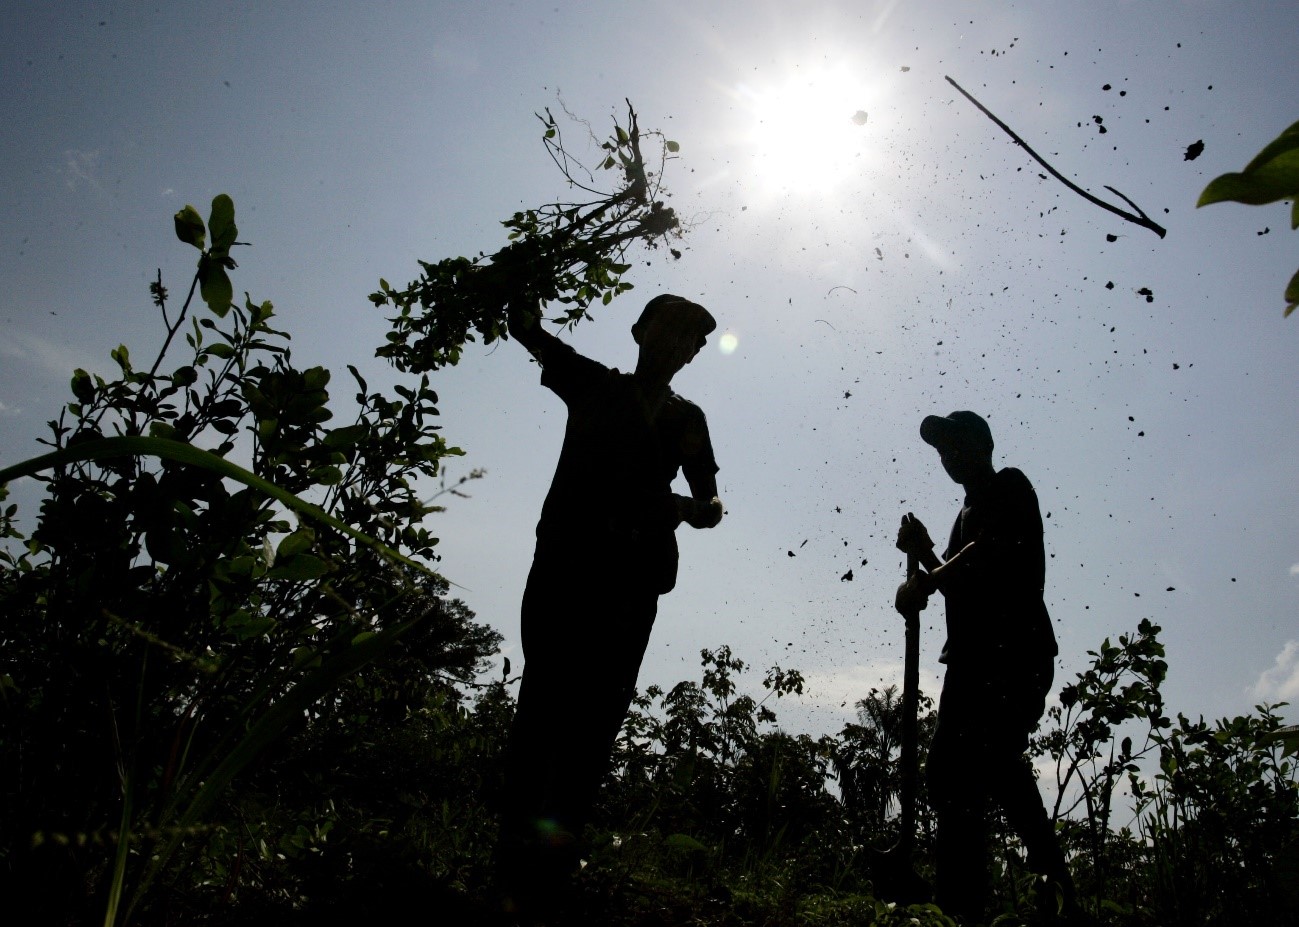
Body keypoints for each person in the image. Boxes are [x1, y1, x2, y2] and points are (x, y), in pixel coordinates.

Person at [495, 294, 725, 919]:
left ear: (694, 354)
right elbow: (536, 338)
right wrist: (521, 306)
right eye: (668, 328)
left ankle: (555, 859)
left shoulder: (687, 419)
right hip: (565, 568)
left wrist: (679, 509)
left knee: (595, 719)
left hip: (631, 582)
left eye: (689, 339)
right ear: (639, 331)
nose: (677, 343)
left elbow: (710, 504)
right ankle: (511, 857)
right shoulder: (595, 385)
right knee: (541, 704)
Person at [894, 410, 1077, 923]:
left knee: (983, 767)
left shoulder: (1009, 488)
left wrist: (927, 566)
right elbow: (950, 580)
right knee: (960, 778)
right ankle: (963, 905)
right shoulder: (963, 514)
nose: (949, 457)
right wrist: (922, 563)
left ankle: (1043, 896)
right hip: (973, 661)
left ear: (984, 445)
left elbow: (977, 561)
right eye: (942, 450)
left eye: (957, 445)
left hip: (1012, 655)